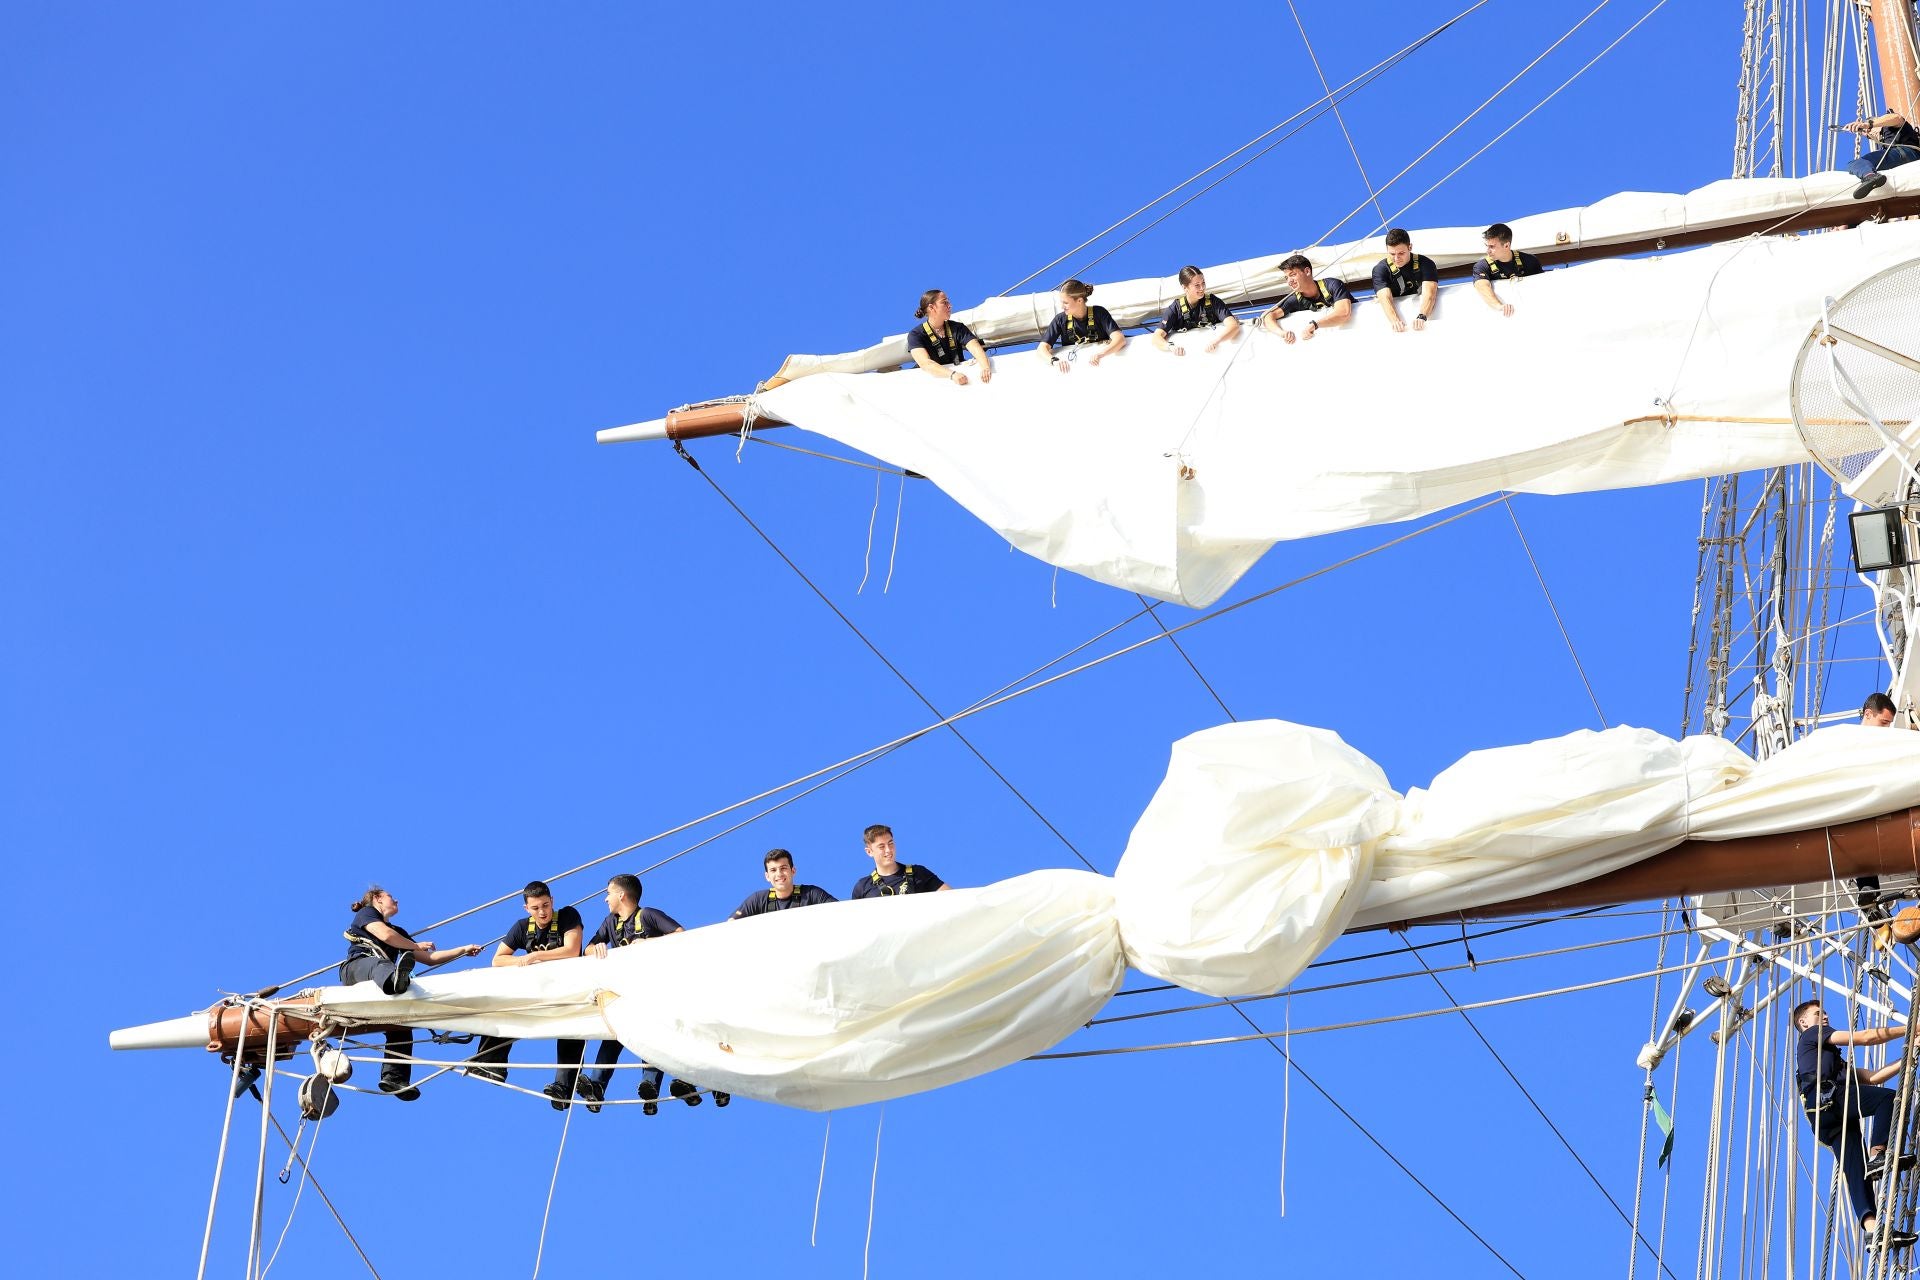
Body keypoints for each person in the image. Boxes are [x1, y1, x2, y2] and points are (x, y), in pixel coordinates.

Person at [582, 874, 724, 1112]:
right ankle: (597, 1085)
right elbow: (588, 948)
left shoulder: (647, 915)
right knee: (613, 1035)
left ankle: (650, 1084)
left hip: (654, 991)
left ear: (621, 895)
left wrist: (648, 944)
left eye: (608, 893)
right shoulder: (610, 923)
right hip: (624, 993)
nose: (605, 899)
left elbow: (681, 935)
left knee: (651, 1035)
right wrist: (594, 948)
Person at [339, 885, 484, 1101]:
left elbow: (429, 958)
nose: (395, 899)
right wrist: (414, 945)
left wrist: (462, 950)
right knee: (380, 966)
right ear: (377, 899)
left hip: (383, 980)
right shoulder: (367, 914)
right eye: (390, 896)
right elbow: (385, 935)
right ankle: (396, 980)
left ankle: (394, 1078)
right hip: (357, 968)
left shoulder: (401, 934)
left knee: (401, 1024)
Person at [1793, 1000, 1917, 1248]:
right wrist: (1911, 1028)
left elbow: (1873, 1076)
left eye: (1826, 1013)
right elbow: (1867, 1037)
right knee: (1890, 1099)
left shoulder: (1834, 1063)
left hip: (1825, 1119)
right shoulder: (1812, 1035)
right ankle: (1879, 1154)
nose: (1825, 1017)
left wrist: (1910, 1051)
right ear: (1803, 1022)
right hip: (1830, 1100)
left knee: (1856, 1170)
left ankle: (1873, 1230)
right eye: (1819, 1013)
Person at [468, 881, 586, 1111]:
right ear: (526, 909)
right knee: (504, 1010)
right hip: (538, 992)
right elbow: (498, 960)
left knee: (571, 1031)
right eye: (535, 908)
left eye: (545, 905)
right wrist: (521, 960)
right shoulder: (522, 927)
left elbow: (572, 950)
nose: (542, 912)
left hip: (569, 990)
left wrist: (534, 958)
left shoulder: (568, 916)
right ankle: (492, 1064)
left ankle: (563, 1087)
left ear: (552, 901)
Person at [1258, 255, 1352, 344]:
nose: (1289, 281)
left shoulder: (1332, 285)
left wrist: (1315, 325)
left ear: (1307, 271)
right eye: (1286, 278)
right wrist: (1282, 333)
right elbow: (1267, 316)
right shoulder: (1294, 299)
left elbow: (1344, 313)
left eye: (1293, 275)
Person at [906, 289, 993, 385]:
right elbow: (925, 363)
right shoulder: (916, 334)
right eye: (944, 302)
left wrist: (985, 367)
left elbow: (974, 346)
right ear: (931, 307)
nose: (950, 306)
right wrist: (952, 375)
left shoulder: (958, 328)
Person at [1036, 279, 1125, 372]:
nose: (1062, 307)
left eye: (1066, 303)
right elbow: (1042, 348)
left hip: (1102, 368)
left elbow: (1120, 339)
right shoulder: (1060, 320)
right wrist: (1054, 361)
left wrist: (1101, 354)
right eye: (1061, 302)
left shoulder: (1099, 313)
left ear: (1079, 300)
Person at [1152, 266, 1241, 357]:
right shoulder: (1175, 309)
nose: (1202, 288)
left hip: (1215, 354)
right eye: (1197, 285)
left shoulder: (1213, 301)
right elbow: (1156, 337)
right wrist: (1170, 347)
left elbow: (1233, 326)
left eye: (1203, 283)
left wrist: (1216, 341)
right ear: (1185, 287)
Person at [731, 848, 838, 918]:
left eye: (783, 868)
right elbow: (730, 925)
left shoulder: (812, 894)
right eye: (773, 870)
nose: (779, 874)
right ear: (767, 876)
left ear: (793, 871)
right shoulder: (757, 900)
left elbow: (841, 911)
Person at [851, 824, 950, 899]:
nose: (888, 850)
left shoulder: (918, 873)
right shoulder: (862, 887)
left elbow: (952, 898)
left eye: (891, 843)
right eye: (881, 846)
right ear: (869, 852)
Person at [1370, 228, 1439, 333]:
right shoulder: (1380, 269)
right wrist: (1395, 321)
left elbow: (1430, 294)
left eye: (1401, 253)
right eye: (1392, 254)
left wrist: (1422, 316)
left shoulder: (1426, 264)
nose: (1396, 258)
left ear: (1410, 247)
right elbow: (1385, 298)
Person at [1471, 223, 1543, 318]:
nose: (1487, 251)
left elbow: (1542, 285)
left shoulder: (1530, 261)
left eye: (1492, 247)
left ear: (1506, 245)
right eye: (1487, 246)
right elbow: (1481, 286)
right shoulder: (1481, 266)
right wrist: (1499, 306)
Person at [1845, 111, 1919, 199]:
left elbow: (1896, 118)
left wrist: (1868, 125)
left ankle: (1870, 177)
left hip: (1906, 153)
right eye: (1866, 134)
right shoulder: (1883, 144)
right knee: (1858, 167)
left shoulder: (1889, 126)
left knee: (1856, 163)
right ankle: (1871, 178)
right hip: (1902, 158)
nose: (1868, 133)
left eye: (1869, 130)